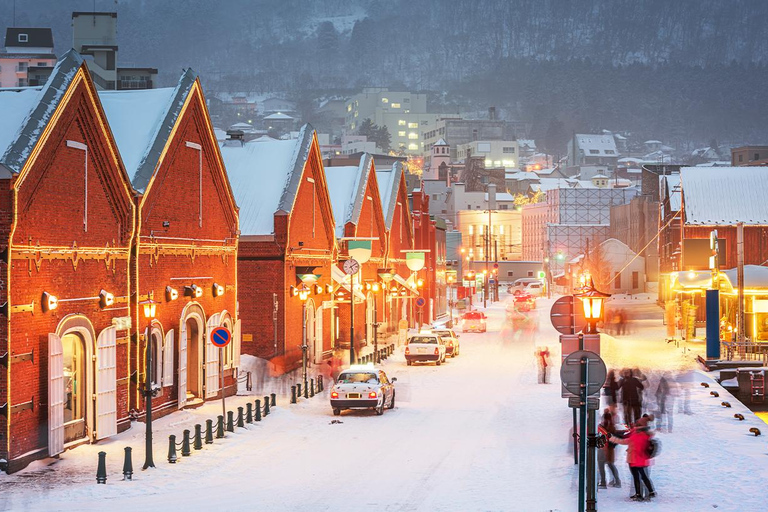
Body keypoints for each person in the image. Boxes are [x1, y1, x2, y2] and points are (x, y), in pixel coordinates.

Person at [610, 416, 656, 501]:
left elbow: (624, 441)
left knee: (636, 477)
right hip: (642, 459)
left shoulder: (636, 435)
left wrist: (612, 438)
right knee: (644, 476)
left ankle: (639, 494)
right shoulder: (646, 435)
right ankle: (650, 491)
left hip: (633, 459)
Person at [597, 409, 621, 489]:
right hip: (610, 449)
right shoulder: (612, 427)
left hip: (603, 448)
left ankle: (603, 482)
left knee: (601, 465)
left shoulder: (603, 427)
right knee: (610, 464)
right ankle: (617, 481)